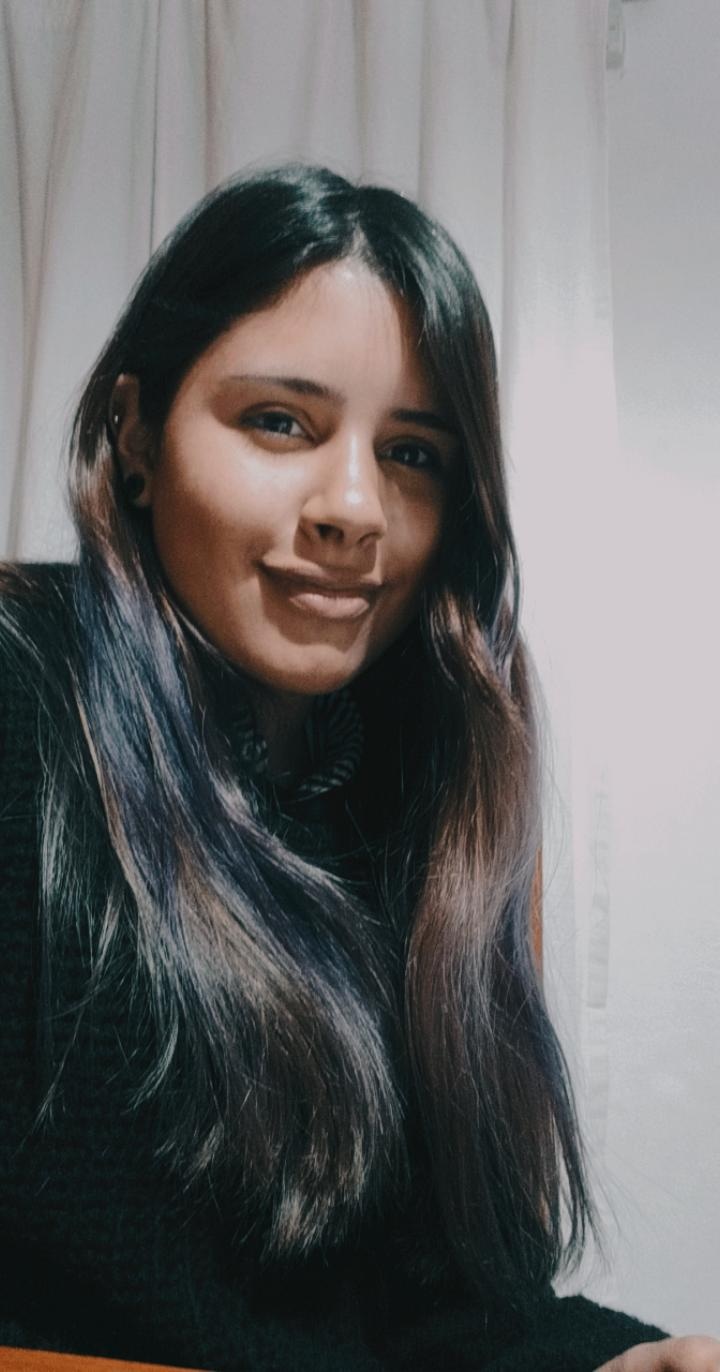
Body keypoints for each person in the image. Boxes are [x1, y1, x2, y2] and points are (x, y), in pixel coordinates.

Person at [0, 165, 716, 1372]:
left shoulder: (427, 777)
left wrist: (616, 1362)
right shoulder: (21, 697)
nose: (354, 507)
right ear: (135, 433)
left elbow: (436, 1310)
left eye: (413, 452)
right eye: (279, 422)